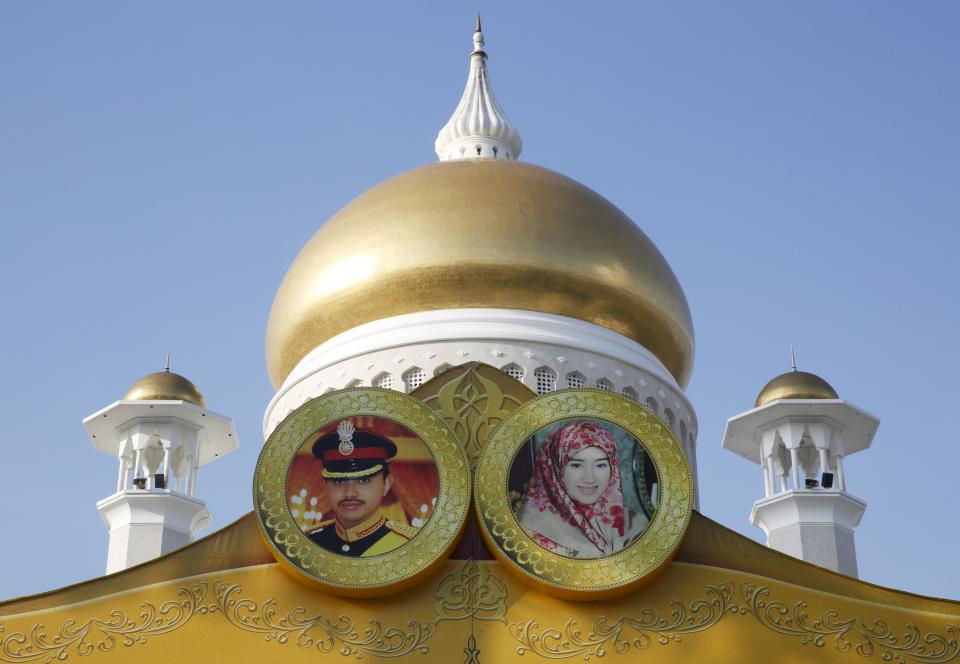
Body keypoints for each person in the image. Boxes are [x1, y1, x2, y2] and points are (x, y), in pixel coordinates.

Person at [516, 420, 649, 558]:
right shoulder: (530, 530)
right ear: (555, 468)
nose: (590, 479)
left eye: (601, 465)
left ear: (613, 468)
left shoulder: (635, 524)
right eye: (576, 465)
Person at [305, 420, 418, 556]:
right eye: (339, 481)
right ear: (326, 487)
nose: (350, 493)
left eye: (364, 480)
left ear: (386, 485)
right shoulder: (308, 546)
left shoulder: (409, 547)